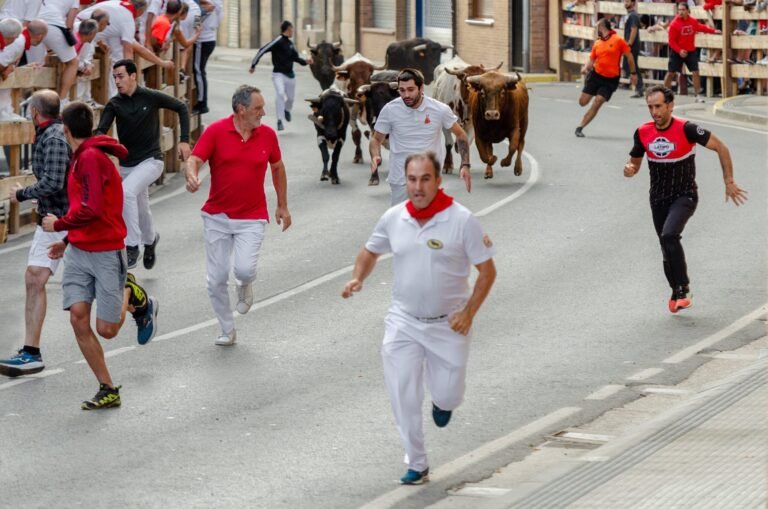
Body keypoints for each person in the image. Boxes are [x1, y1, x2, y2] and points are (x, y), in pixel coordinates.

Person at [341, 152, 496, 485]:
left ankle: (444, 402)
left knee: (449, 395)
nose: (418, 187)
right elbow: (370, 250)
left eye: (425, 179)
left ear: (438, 181)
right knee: (403, 392)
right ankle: (417, 461)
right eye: (412, 179)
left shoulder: (462, 220)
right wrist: (358, 278)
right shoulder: (394, 217)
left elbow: (487, 271)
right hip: (404, 321)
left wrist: (469, 312)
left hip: (449, 323)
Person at [41, 101, 159, 410]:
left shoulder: (91, 158)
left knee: (107, 330)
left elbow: (91, 209)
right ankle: (107, 388)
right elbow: (93, 206)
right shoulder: (83, 157)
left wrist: (59, 224)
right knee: (78, 319)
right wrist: (67, 240)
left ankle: (133, 294)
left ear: (65, 130)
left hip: (107, 252)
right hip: (80, 251)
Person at [623, 85, 747, 312]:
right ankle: (675, 290)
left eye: (659, 106)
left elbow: (721, 147)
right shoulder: (643, 131)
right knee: (665, 245)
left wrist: (729, 181)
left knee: (670, 235)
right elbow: (635, 163)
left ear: (670, 106)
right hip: (658, 198)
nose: (654, 112)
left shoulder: (687, 129)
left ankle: (683, 288)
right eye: (650, 107)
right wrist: (629, 169)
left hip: (684, 195)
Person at [185, 85, 291, 346]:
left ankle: (244, 284)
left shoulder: (267, 135)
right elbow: (195, 159)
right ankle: (227, 328)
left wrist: (282, 205)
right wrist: (191, 174)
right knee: (216, 279)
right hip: (217, 216)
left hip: (252, 217)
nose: (263, 113)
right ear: (240, 110)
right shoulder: (216, 131)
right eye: (258, 108)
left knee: (244, 269)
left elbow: (277, 168)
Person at [95, 58, 191, 270]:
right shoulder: (114, 104)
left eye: (121, 77)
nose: (117, 82)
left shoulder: (150, 96)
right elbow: (101, 131)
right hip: (127, 165)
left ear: (133, 76)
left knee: (126, 193)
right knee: (141, 207)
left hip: (151, 160)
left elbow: (181, 107)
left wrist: (184, 140)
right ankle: (149, 241)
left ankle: (132, 246)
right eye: (114, 78)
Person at [0, 91, 70, 378]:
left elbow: (54, 181)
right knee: (34, 277)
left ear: (35, 114)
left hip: (67, 221)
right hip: (49, 221)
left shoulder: (53, 138)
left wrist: (23, 193)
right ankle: (31, 352)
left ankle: (139, 304)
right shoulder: (47, 133)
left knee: (100, 290)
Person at [369, 68, 471, 205]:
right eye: (402, 90)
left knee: (429, 222)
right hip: (400, 178)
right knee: (402, 223)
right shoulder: (390, 110)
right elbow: (376, 139)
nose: (406, 95)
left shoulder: (439, 109)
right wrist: (375, 155)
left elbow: (460, 134)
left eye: (411, 89)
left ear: (421, 88)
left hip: (429, 177)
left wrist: (465, 164)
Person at [575, 18, 637, 137]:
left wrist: (633, 74)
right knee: (582, 102)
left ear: (602, 27)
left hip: (610, 80)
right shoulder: (597, 43)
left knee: (598, 101)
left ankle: (580, 127)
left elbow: (629, 57)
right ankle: (592, 96)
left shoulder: (618, 40)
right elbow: (592, 59)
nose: (596, 30)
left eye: (597, 27)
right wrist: (585, 68)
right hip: (596, 76)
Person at [248, 20, 312, 132]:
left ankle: (287, 110)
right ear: (288, 29)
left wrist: (306, 62)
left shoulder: (290, 44)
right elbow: (262, 50)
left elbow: (295, 58)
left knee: (291, 98)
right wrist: (253, 64)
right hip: (278, 74)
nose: (293, 31)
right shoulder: (278, 41)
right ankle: (279, 120)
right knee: (280, 94)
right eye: (292, 29)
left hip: (290, 76)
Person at [662, 2, 719, 103]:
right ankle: (663, 94)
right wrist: (679, 50)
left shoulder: (692, 21)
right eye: (679, 10)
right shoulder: (674, 24)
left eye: (683, 10)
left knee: (695, 72)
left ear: (688, 11)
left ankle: (698, 95)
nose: (681, 12)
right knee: (671, 73)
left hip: (690, 51)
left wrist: (714, 31)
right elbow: (671, 42)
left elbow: (702, 28)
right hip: (677, 52)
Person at [35, 0, 80, 100]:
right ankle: (61, 100)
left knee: (36, 65)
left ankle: (32, 105)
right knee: (73, 62)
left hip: (34, 24)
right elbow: (69, 25)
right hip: (53, 25)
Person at [193, 0, 222, 114]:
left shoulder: (206, 5)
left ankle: (202, 102)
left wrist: (194, 29)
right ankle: (201, 101)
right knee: (199, 71)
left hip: (202, 39)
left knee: (198, 71)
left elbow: (196, 19)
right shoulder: (218, 3)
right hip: (210, 37)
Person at [624, 0, 644, 98]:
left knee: (633, 66)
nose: (625, 2)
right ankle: (638, 87)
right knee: (632, 66)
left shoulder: (633, 15)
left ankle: (639, 87)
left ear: (633, 3)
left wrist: (630, 43)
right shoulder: (629, 15)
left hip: (632, 45)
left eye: (627, 1)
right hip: (629, 45)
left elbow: (634, 29)